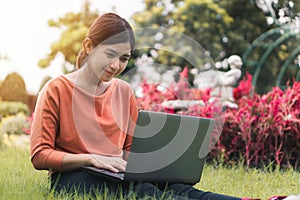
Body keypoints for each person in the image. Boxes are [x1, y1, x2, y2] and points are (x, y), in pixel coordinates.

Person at [30, 12, 253, 200]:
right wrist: (91, 159)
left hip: (117, 173)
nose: (116, 65)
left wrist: (157, 164)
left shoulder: (124, 91)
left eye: (124, 58)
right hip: (74, 176)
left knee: (178, 189)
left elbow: (129, 150)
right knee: (143, 192)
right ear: (89, 46)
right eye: (110, 54)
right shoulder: (56, 89)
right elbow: (40, 155)